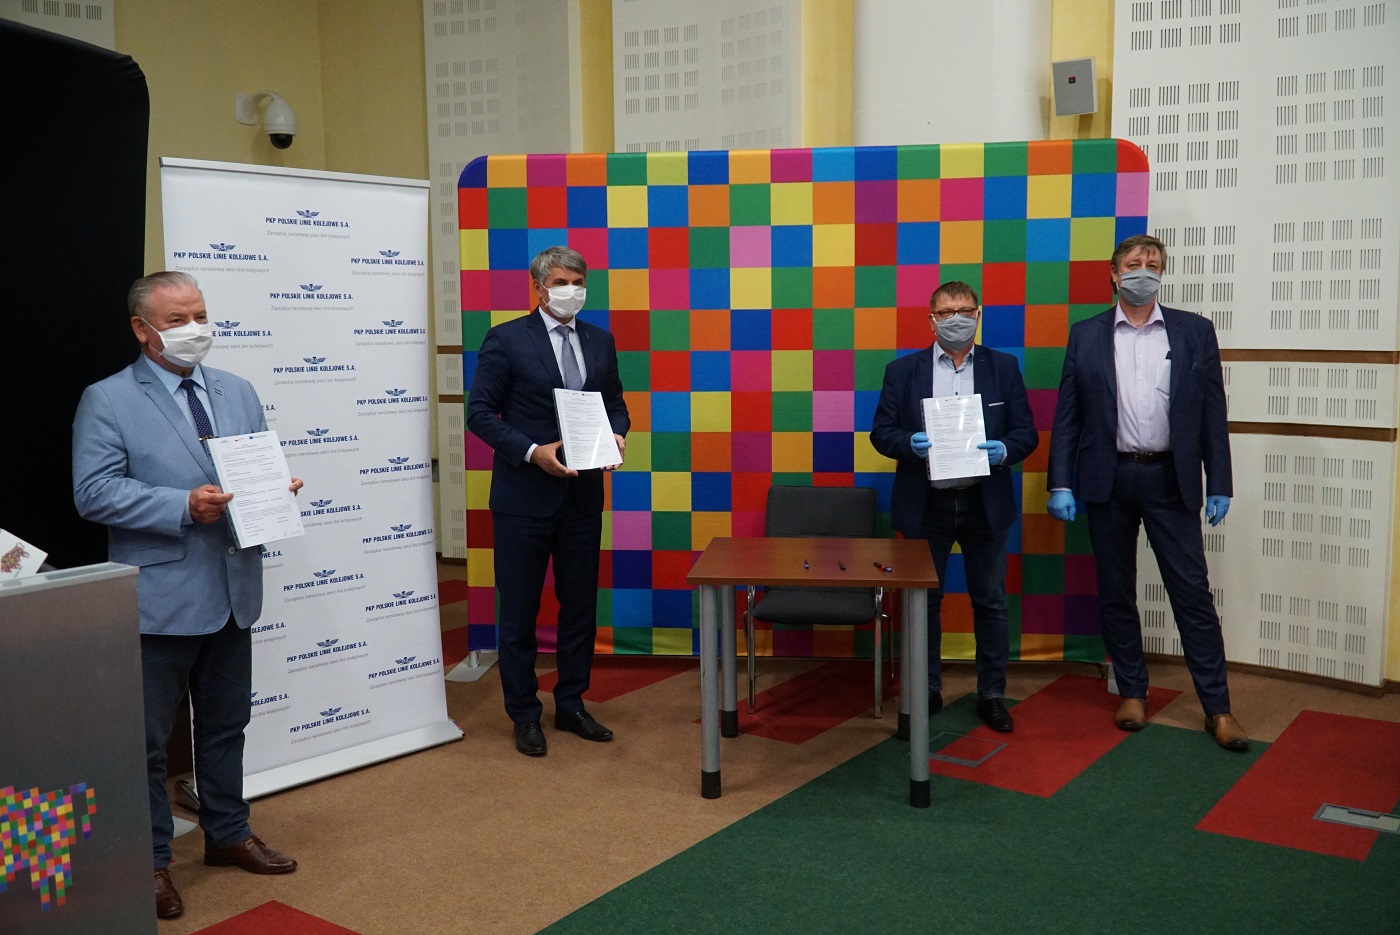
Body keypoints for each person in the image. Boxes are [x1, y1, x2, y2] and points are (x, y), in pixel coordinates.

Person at [72, 271, 303, 920]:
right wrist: (181, 505)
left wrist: (275, 490)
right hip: (161, 597)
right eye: (177, 320)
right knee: (147, 743)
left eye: (200, 314)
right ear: (142, 329)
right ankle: (150, 861)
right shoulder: (108, 398)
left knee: (227, 725)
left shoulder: (237, 389)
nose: (194, 328)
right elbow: (93, 491)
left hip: (234, 589)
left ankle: (228, 833)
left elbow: (253, 467)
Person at [1046, 234, 1247, 751]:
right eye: (1134, 264)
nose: (1144, 271)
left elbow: (1212, 413)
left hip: (1169, 478)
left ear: (1162, 273)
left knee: (1192, 594)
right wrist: (1061, 481)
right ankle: (1132, 692)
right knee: (1116, 592)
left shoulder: (1195, 331)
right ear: (1114, 274)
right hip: (1107, 478)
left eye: (1153, 264)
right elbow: (1068, 416)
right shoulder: (1086, 335)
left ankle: (1218, 708)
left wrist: (1219, 483)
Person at [466, 246, 629, 757]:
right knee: (519, 611)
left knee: (579, 606)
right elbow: (480, 413)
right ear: (539, 287)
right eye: (560, 282)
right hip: (523, 499)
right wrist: (532, 452)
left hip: (582, 497)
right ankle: (524, 713)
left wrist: (617, 434)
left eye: (578, 282)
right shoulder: (507, 338)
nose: (571, 291)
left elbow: (615, 404)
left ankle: (572, 703)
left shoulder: (600, 341)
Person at [870, 282, 1038, 733]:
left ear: (978, 315)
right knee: (924, 602)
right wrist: (908, 443)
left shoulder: (1003, 367)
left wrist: (1005, 450)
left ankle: (992, 694)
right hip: (928, 504)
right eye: (946, 312)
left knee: (991, 601)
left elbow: (1026, 432)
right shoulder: (902, 371)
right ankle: (926, 689)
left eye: (965, 310)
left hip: (986, 501)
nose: (956, 319)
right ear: (932, 320)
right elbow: (881, 432)